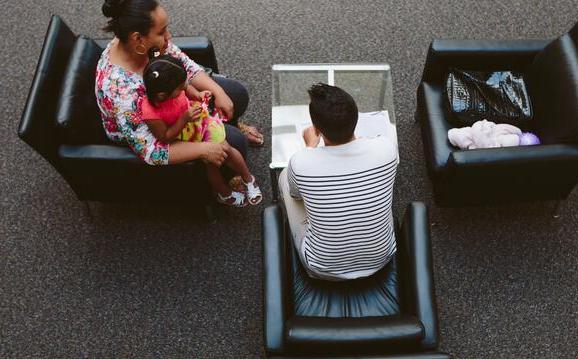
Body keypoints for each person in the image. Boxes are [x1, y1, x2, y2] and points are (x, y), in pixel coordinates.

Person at [95, 0, 263, 199]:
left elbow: (186, 66)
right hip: (154, 129)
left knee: (236, 94)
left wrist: (218, 92)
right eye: (161, 32)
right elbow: (151, 151)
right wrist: (203, 149)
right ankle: (222, 180)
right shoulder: (120, 91)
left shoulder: (142, 45)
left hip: (175, 101)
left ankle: (230, 125)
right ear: (138, 38)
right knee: (235, 145)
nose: (169, 37)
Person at [279, 83, 399, 281]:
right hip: (381, 259)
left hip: (321, 268)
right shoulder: (386, 149)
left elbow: (295, 195)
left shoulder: (300, 162)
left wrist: (309, 148)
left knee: (286, 177)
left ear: (317, 129)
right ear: (356, 118)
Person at [141, 51, 262, 206]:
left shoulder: (172, 86)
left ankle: (248, 179)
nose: (183, 88)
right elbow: (165, 136)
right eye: (179, 88)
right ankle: (223, 193)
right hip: (186, 136)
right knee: (211, 165)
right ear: (162, 95)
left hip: (200, 124)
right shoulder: (150, 113)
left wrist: (197, 95)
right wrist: (184, 118)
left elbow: (187, 87)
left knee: (227, 150)